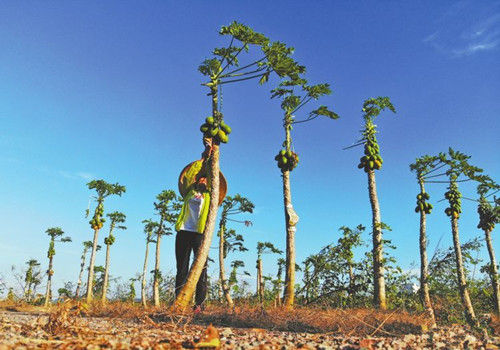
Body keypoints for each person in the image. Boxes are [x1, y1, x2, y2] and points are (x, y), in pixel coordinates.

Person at [174, 175, 211, 310]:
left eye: (205, 179)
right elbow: (188, 175)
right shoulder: (189, 192)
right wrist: (203, 157)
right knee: (181, 268)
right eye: (201, 179)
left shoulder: (210, 195)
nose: (203, 181)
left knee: (201, 269)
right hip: (183, 231)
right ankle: (178, 302)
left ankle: (199, 304)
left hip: (199, 234)